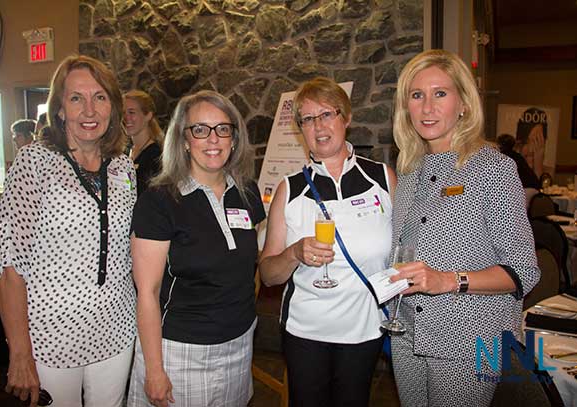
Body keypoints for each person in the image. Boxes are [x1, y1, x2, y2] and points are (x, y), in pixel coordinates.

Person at [389, 49, 540, 406]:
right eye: (417, 95)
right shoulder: (408, 173)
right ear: (405, 107)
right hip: (407, 334)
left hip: (473, 341)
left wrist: (447, 279)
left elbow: (523, 272)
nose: (427, 107)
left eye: (440, 93)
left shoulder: (494, 169)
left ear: (464, 104)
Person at [0, 55, 137, 407]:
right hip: (50, 336)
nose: (89, 110)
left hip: (116, 330)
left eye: (100, 97)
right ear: (59, 109)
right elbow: (11, 266)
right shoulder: (34, 163)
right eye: (76, 98)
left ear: (113, 108)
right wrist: (20, 353)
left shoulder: (123, 166)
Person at [259, 77, 396, 407]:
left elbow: (402, 252)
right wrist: (294, 253)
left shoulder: (383, 179)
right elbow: (268, 274)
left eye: (326, 114)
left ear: (346, 118)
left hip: (365, 330)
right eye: (307, 119)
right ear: (300, 129)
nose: (318, 126)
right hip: (306, 332)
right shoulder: (289, 190)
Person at [127, 90, 265, 407]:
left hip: (239, 345)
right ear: (184, 139)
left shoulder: (247, 192)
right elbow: (147, 292)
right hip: (180, 352)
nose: (213, 139)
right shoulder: (159, 200)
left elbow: (248, 266)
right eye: (200, 130)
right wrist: (154, 369)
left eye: (222, 129)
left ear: (234, 138)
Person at [124, 90, 164, 196]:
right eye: (123, 113)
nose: (126, 117)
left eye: (131, 112)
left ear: (148, 115)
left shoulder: (156, 156)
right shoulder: (125, 152)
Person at [497, 133, 540, 206]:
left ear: (499, 145)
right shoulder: (518, 157)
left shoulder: (501, 158)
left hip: (523, 192)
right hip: (535, 192)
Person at [515, 106, 549, 179]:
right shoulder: (510, 170)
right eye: (526, 142)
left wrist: (538, 167)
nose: (531, 149)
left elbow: (539, 189)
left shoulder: (548, 172)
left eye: (537, 141)